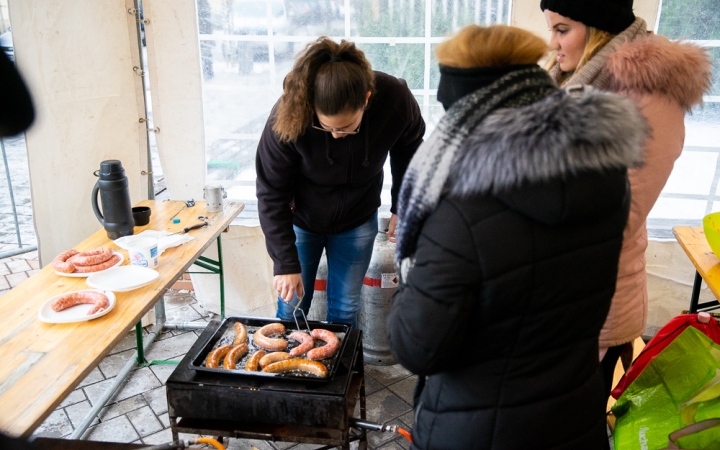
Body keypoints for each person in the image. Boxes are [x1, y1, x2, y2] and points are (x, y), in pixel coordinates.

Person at [387, 24, 647, 449]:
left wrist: (406, 290)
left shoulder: (459, 211)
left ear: (463, 107)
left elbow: (418, 347)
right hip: (573, 416)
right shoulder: (607, 176)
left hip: (473, 429)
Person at [541, 0, 712, 400]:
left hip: (594, 299)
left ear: (601, 28)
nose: (552, 44)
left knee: (571, 422)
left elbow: (621, 215)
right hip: (554, 292)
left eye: (562, 29)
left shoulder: (650, 92)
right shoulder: (573, 79)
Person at [256, 37, 425, 327]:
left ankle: (342, 372)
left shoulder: (394, 99)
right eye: (326, 127)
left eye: (346, 127)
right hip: (302, 220)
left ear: (367, 99)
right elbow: (271, 192)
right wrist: (284, 263)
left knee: (346, 309)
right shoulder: (287, 116)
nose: (336, 135)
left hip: (357, 219)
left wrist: (404, 204)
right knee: (291, 306)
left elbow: (410, 149)